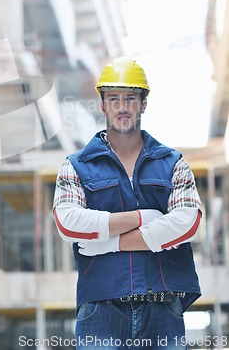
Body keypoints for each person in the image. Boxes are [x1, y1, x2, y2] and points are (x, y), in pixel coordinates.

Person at [53, 57, 202, 350]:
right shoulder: (76, 165)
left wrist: (110, 243)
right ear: (103, 104)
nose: (123, 107)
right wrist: (144, 217)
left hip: (162, 302)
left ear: (143, 104)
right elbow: (67, 223)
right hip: (101, 305)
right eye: (114, 98)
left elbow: (189, 223)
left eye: (131, 98)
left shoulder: (172, 162)